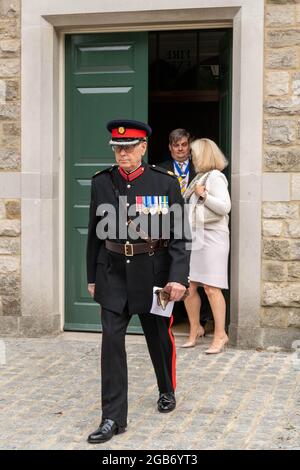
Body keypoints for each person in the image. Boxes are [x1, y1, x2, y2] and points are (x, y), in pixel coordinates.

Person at [86, 119, 190, 444]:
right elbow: (93, 235)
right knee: (111, 344)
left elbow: (179, 236)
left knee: (158, 337)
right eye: (118, 148)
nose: (122, 154)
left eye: (129, 148)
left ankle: (166, 388)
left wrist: (178, 277)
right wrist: (92, 277)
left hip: (153, 273)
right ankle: (113, 417)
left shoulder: (164, 183)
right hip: (113, 273)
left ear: (143, 148)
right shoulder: (102, 183)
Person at [183, 138, 231, 353]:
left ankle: (220, 335)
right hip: (196, 237)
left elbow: (225, 207)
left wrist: (204, 195)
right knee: (189, 286)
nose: (191, 157)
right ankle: (195, 329)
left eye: (194, 153)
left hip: (213, 238)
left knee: (212, 288)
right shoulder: (198, 178)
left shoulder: (216, 177)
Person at [159, 128, 196, 195]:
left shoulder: (198, 167)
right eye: (176, 145)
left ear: (189, 146)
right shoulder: (160, 169)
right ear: (170, 147)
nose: (180, 148)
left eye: (184, 144)